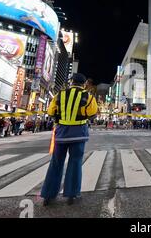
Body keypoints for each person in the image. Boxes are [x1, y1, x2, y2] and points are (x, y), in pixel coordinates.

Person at [41, 73, 98, 206]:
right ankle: (72, 194)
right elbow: (92, 113)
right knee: (75, 162)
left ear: (71, 82)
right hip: (79, 133)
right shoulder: (88, 96)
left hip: (61, 133)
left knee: (56, 162)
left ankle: (48, 194)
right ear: (84, 84)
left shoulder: (59, 95)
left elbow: (50, 112)